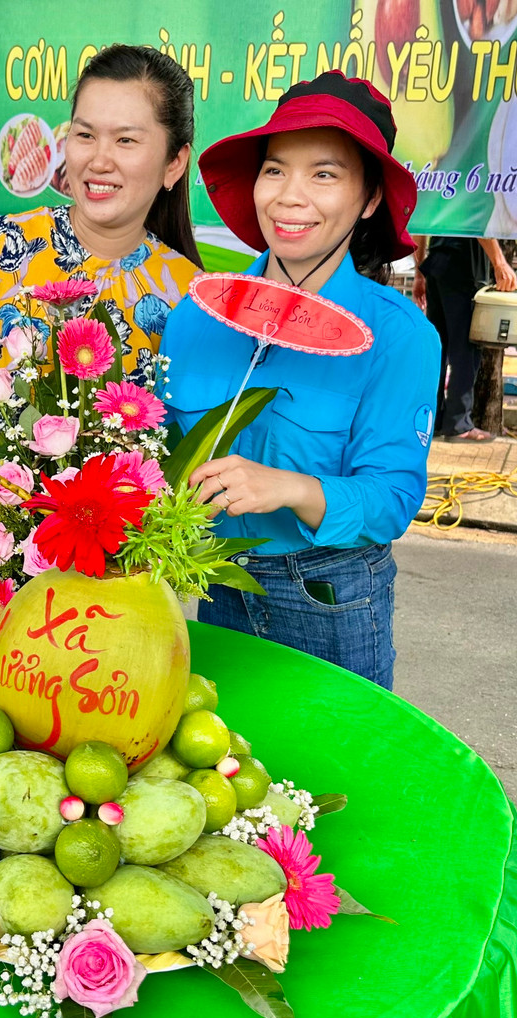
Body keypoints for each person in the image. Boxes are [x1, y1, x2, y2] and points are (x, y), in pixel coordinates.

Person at [160, 71, 440, 689]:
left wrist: (287, 487)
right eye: (275, 169)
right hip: (215, 589)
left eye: (325, 174)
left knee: (331, 781)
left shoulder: (400, 337)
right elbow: (153, 450)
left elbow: (392, 499)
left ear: (368, 200)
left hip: (328, 594)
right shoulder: (195, 316)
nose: (290, 196)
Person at [0, 44, 201, 428]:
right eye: (85, 134)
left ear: (174, 162)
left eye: (126, 140)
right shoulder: (5, 247)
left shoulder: (189, 295)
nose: (98, 160)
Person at [413, 235, 517, 441]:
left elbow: (420, 230)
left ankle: (432, 419)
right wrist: (500, 262)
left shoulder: (437, 200)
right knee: (466, 350)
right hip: (464, 265)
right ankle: (459, 423)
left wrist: (419, 273)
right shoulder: (474, 200)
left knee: (438, 349)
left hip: (435, 263)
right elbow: (479, 221)